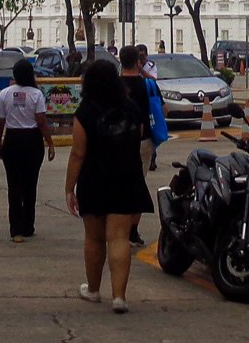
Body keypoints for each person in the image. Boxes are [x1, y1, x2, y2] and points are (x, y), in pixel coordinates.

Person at [66, 59, 151, 313]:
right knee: (119, 237)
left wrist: (70, 187)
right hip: (126, 175)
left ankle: (93, 290)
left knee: (94, 237)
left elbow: (77, 153)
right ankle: (119, 297)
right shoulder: (131, 108)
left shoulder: (85, 112)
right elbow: (139, 136)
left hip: (94, 177)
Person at [0, 57, 54, 242]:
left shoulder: (5, 94)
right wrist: (49, 142)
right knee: (30, 184)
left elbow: (0, 121)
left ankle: (16, 230)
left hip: (12, 139)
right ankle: (28, 225)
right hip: (32, 140)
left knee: (14, 186)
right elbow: (41, 121)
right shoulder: (36, 94)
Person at [117, 46, 167, 249]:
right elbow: (163, 109)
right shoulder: (148, 84)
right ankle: (132, 230)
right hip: (143, 141)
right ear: (138, 61)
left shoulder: (114, 85)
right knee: (138, 183)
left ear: (120, 60)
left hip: (117, 141)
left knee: (119, 185)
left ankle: (117, 227)